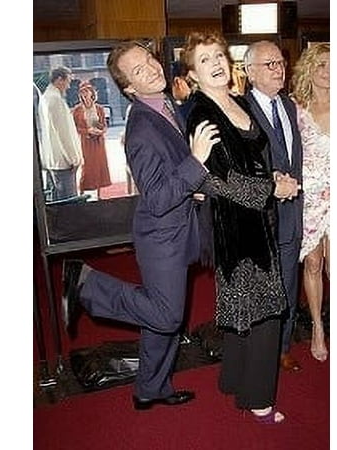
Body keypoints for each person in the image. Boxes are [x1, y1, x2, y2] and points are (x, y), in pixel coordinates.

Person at [61, 41, 219, 411]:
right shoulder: (140, 130)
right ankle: (86, 284)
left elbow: (172, 176)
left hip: (179, 231)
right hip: (161, 237)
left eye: (149, 59)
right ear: (128, 88)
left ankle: (151, 388)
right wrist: (196, 162)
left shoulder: (167, 107)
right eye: (137, 70)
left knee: (159, 320)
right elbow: (159, 198)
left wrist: (194, 187)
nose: (150, 68)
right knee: (167, 315)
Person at [182, 31, 298, 424]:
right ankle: (258, 398)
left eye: (217, 55)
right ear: (193, 74)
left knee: (243, 307)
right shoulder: (200, 112)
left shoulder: (232, 100)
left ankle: (232, 378)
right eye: (204, 60)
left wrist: (272, 175)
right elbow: (218, 179)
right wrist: (272, 187)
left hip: (257, 218)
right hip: (235, 226)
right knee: (265, 312)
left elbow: (251, 157)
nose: (215, 63)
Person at [244, 41, 304, 372]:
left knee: (289, 283)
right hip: (259, 216)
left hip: (291, 213)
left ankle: (282, 346)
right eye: (270, 64)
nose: (279, 68)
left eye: (281, 62)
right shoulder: (239, 110)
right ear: (250, 71)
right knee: (261, 287)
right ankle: (259, 350)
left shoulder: (290, 106)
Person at [291, 43, 330, 362]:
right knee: (313, 263)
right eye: (321, 65)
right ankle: (317, 326)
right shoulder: (296, 107)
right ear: (309, 70)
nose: (328, 71)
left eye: (333, 65)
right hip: (310, 197)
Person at [38, 66, 83, 201]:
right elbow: (63, 134)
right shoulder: (55, 100)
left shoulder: (46, 97)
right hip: (63, 162)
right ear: (59, 80)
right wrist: (73, 159)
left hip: (54, 160)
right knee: (69, 205)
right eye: (68, 81)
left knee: (57, 202)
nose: (69, 86)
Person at [72, 80, 112, 200]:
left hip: (98, 142)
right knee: (87, 166)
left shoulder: (99, 108)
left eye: (87, 92)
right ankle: (83, 192)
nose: (85, 94)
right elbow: (75, 128)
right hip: (86, 142)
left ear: (92, 93)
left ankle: (99, 194)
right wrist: (87, 131)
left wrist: (101, 131)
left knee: (99, 165)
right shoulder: (77, 110)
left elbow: (104, 125)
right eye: (82, 92)